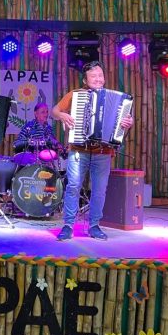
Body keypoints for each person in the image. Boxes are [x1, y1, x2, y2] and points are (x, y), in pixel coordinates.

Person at [51, 61, 134, 241]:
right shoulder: (76, 95)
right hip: (78, 149)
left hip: (103, 151)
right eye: (93, 76)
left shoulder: (119, 100)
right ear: (85, 80)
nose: (98, 79)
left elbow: (124, 122)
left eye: (100, 75)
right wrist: (62, 115)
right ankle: (68, 225)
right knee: (73, 186)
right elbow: (54, 111)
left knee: (99, 190)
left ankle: (94, 225)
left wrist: (128, 123)